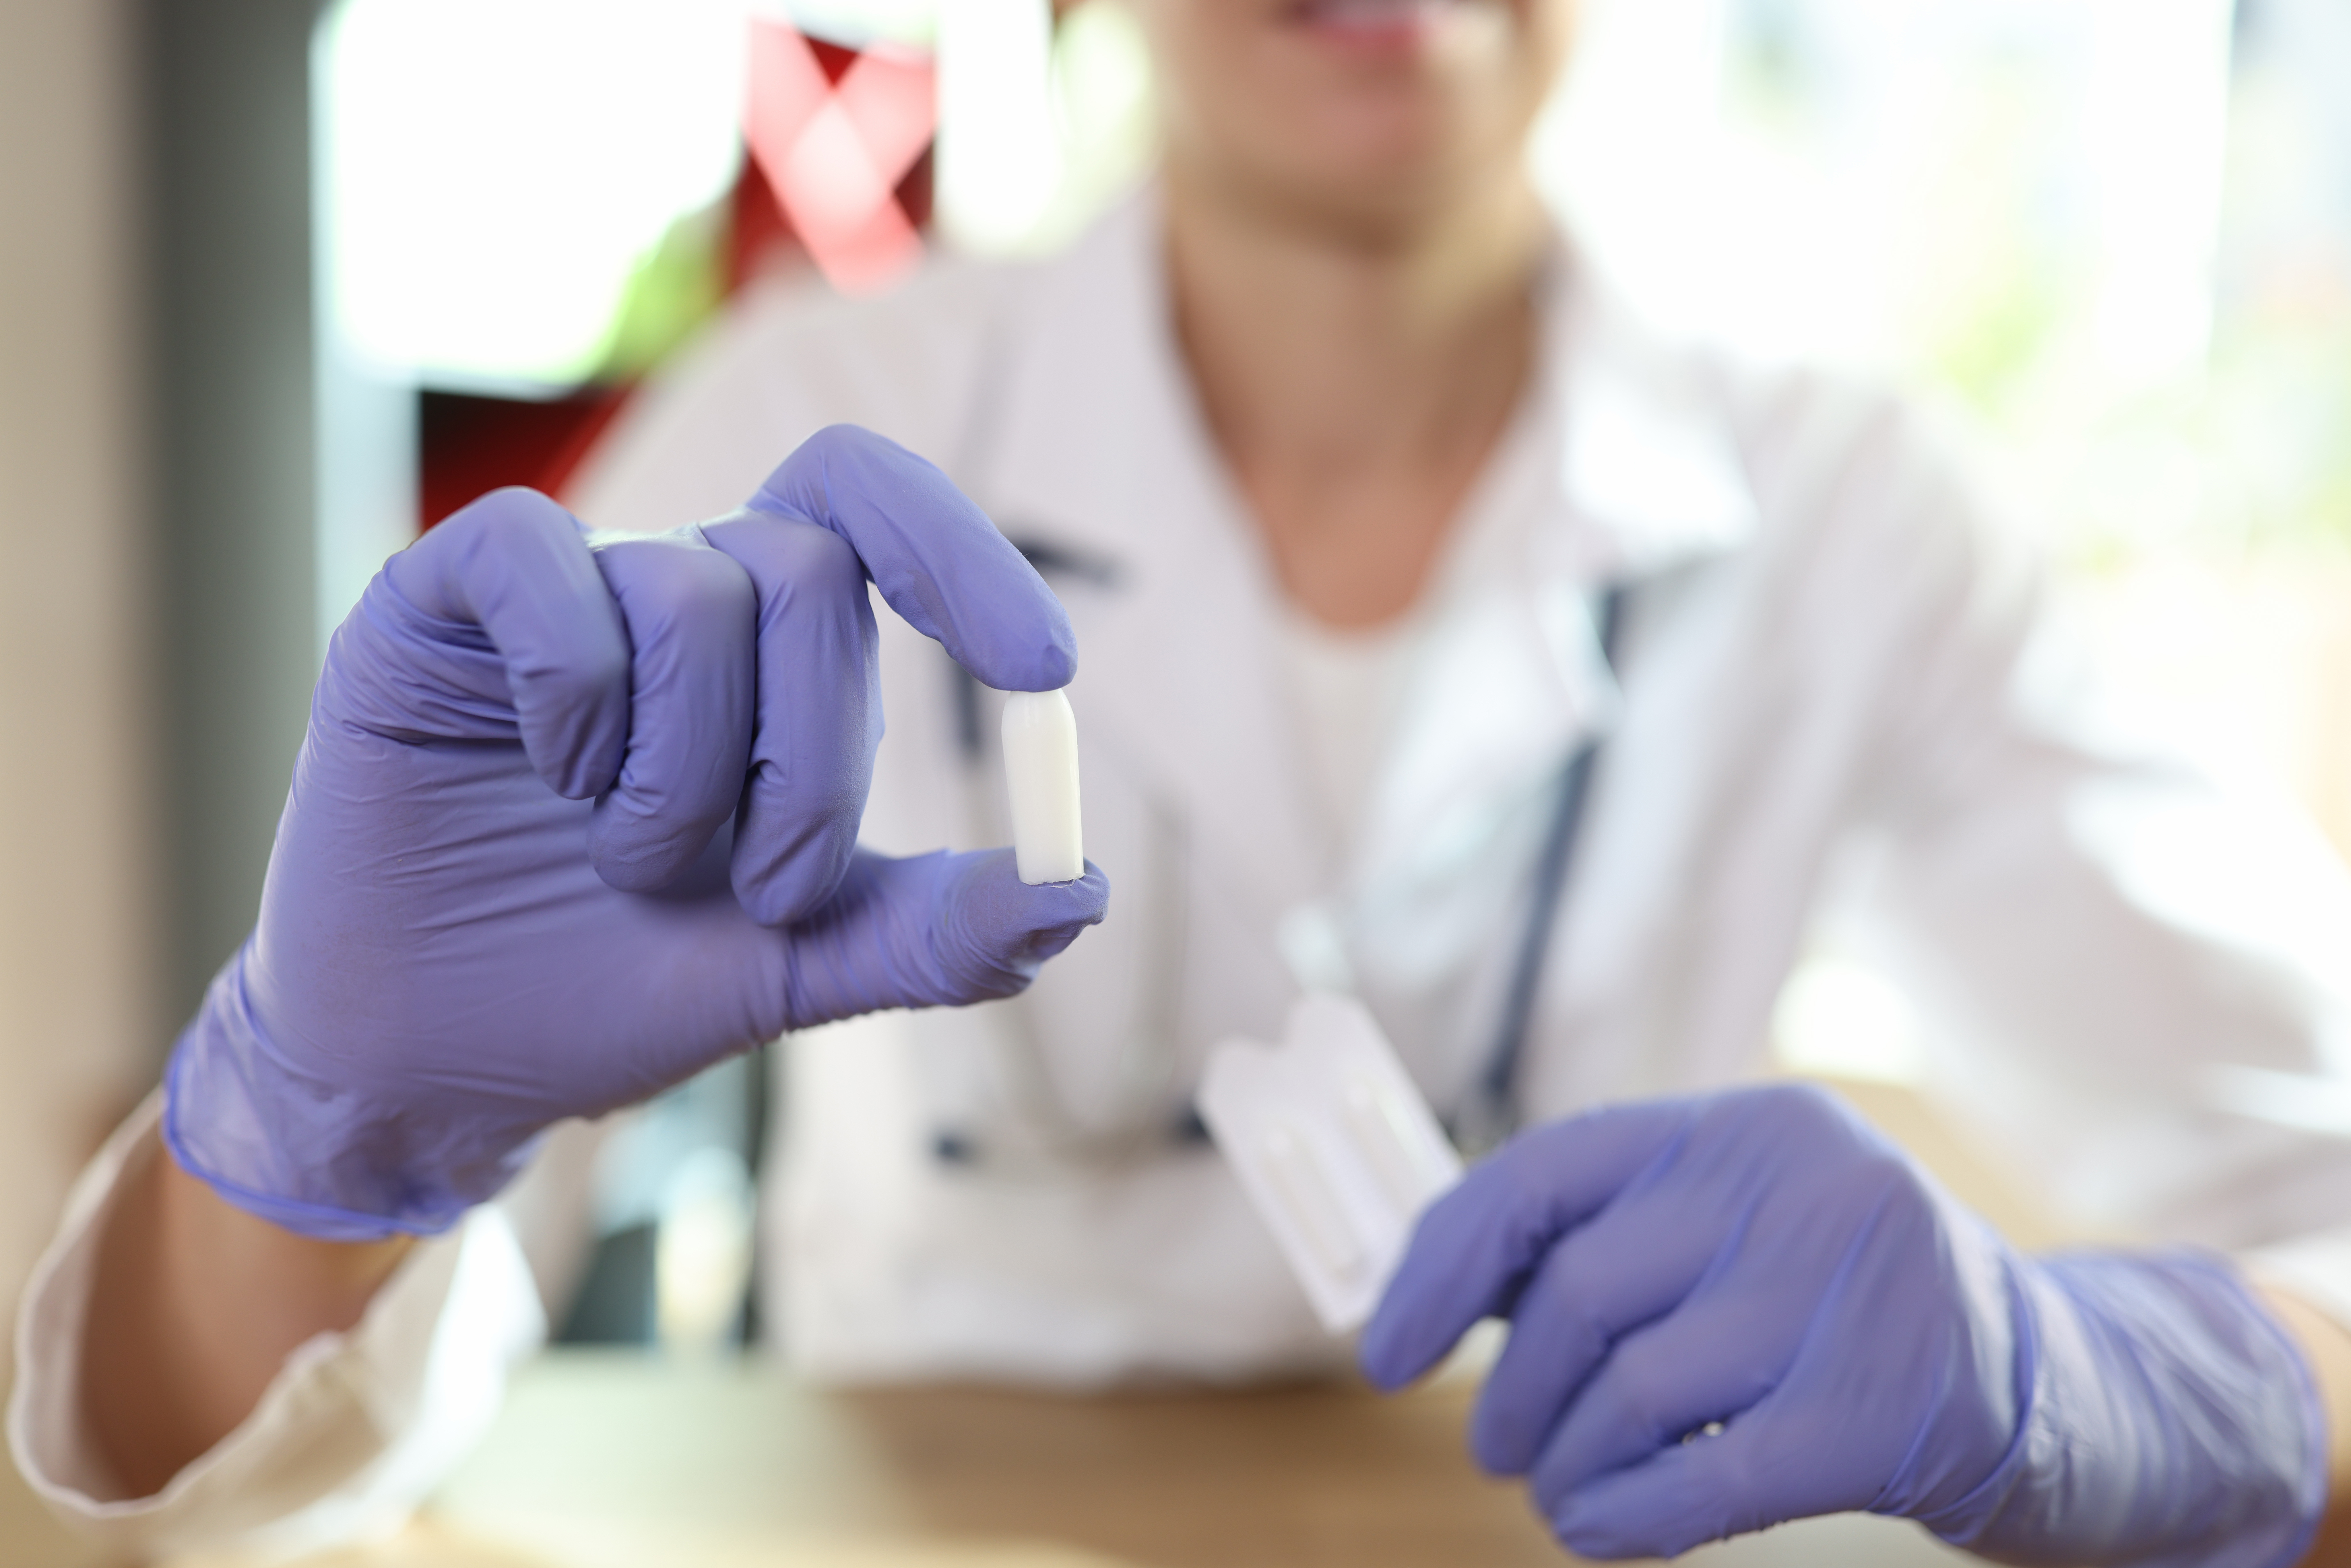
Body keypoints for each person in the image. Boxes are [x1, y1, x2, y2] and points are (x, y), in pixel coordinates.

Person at [19, 0, 2351, 1561]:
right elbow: (235, 1477)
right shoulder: (799, 415)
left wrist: (2121, 1376)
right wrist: (324, 1143)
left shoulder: (1855, 513)